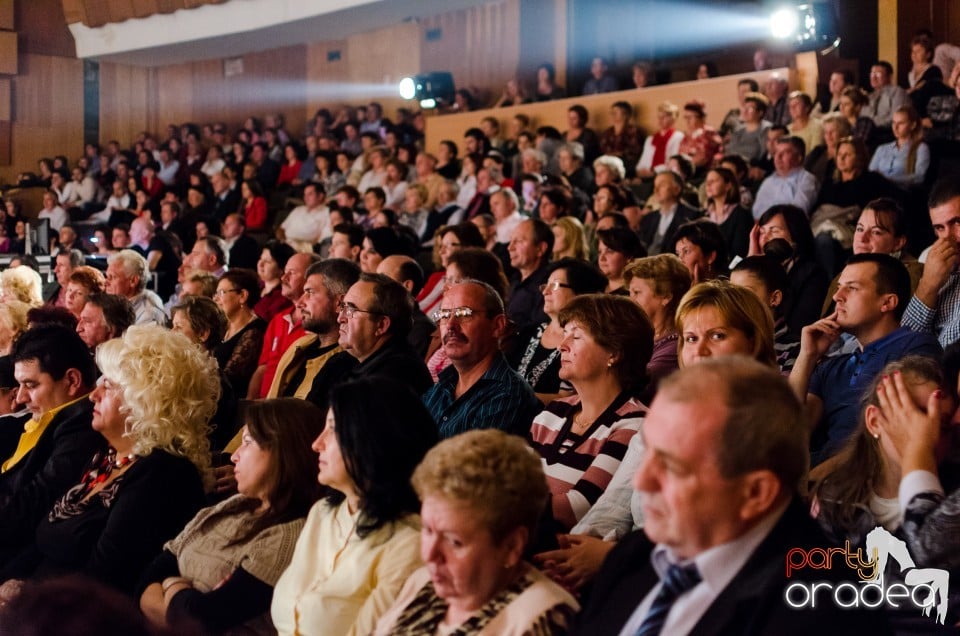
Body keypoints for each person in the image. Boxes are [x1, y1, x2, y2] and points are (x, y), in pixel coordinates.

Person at [570, 357, 890, 635]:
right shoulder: (637, 553)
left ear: (756, 493)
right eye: (649, 452)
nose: (643, 480)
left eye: (671, 466)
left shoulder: (824, 616)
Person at [0, 325, 215, 595]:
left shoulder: (163, 473)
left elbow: (102, 579)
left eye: (108, 385)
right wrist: (11, 583)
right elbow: (42, 542)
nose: (93, 395)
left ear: (145, 401)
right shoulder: (107, 457)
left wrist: (25, 599)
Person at [138, 399, 326, 634]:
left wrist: (172, 584)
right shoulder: (232, 505)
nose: (235, 455)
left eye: (247, 443)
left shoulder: (290, 535)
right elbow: (148, 578)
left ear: (283, 452)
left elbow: (202, 620)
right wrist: (179, 605)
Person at [271, 378, 439, 636]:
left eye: (333, 429)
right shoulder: (322, 513)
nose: (317, 444)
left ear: (373, 440)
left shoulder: (409, 545)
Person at [374, 429, 578, 635]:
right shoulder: (424, 581)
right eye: (427, 530)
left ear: (511, 546)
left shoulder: (541, 619)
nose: (429, 555)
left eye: (454, 542)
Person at [789, 254, 941, 466]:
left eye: (851, 288)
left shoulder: (915, 347)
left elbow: (902, 435)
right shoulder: (832, 366)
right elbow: (791, 431)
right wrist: (807, 356)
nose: (837, 297)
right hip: (820, 481)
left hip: (868, 480)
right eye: (839, 287)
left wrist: (824, 476)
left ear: (887, 302)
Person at [529, 294, 651, 532]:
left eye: (576, 336)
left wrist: (499, 505)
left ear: (613, 353)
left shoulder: (633, 424)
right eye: (564, 335)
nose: (561, 345)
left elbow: (577, 508)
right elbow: (512, 481)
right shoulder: (555, 412)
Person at [0, 325, 105, 567]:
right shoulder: (48, 416)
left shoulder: (83, 428)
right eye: (20, 385)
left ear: (71, 380)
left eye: (31, 385)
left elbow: (30, 508)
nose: (20, 398)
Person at [423, 280, 541, 439]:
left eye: (464, 314)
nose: (450, 325)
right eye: (444, 315)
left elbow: (471, 463)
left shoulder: (507, 395)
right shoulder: (441, 386)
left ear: (497, 326)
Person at [305, 273, 432, 414]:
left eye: (351, 310)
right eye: (343, 307)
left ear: (381, 325)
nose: (340, 318)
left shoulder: (395, 379)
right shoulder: (340, 362)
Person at [508, 258, 607, 404]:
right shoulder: (528, 331)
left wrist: (511, 399)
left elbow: (568, 399)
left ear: (580, 293)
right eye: (545, 285)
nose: (545, 292)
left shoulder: (586, 341)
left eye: (554, 285)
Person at [266, 258, 360, 400]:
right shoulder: (299, 346)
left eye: (310, 292)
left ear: (340, 303)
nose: (300, 303)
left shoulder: (349, 364)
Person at [748, 204, 829, 334]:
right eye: (761, 232)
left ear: (795, 235)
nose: (765, 238)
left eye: (774, 231)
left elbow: (800, 326)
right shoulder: (752, 269)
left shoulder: (812, 274)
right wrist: (751, 266)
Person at [901, 178, 960, 348]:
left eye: (957, 222)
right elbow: (906, 342)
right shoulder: (931, 258)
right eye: (940, 228)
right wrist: (928, 285)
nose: (948, 238)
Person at [624, 254, 691, 388]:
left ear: (665, 297)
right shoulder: (636, 334)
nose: (630, 300)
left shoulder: (676, 346)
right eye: (630, 293)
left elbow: (637, 388)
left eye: (637, 292)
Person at [730, 256, 801, 374]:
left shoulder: (795, 350)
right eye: (732, 294)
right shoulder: (728, 340)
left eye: (746, 293)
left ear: (774, 298)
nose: (735, 302)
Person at [213, 269, 267, 396]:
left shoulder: (255, 331)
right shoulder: (223, 327)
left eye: (221, 293)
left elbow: (231, 378)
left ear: (242, 295)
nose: (216, 299)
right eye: (216, 293)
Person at [752, 135, 820, 219]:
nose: (778, 157)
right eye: (776, 152)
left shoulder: (807, 180)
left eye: (785, 153)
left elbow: (798, 211)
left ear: (799, 158)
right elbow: (756, 212)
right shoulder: (768, 181)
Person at [639, 171, 701, 256]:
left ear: (677, 189)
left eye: (662, 185)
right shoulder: (648, 218)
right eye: (655, 186)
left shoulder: (693, 216)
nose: (656, 190)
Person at [506, 218, 553, 330]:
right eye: (511, 241)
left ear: (540, 248)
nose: (510, 248)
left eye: (519, 241)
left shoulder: (547, 286)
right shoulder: (515, 279)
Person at [868, 105, 930, 188]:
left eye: (901, 123)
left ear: (912, 125)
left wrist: (888, 180)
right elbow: (871, 173)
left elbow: (919, 176)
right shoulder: (882, 148)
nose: (895, 127)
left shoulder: (921, 148)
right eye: (893, 122)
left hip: (901, 190)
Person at [105, 249, 166, 326]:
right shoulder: (116, 302)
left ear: (133, 281)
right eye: (107, 276)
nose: (106, 282)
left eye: (113, 277)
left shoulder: (148, 313)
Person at [704, 166, 752, 259]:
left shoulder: (742, 215)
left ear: (728, 185)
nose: (708, 184)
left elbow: (740, 253)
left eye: (713, 181)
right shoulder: (703, 215)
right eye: (707, 181)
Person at [635, 102, 684, 178]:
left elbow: (674, 162)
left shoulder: (678, 137)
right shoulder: (650, 139)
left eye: (664, 117)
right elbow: (644, 159)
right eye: (659, 117)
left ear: (673, 119)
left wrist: (655, 171)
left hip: (667, 174)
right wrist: (640, 170)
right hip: (648, 174)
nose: (660, 120)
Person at [672, 219, 729, 283]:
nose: (679, 260)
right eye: (678, 254)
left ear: (710, 256)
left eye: (686, 251)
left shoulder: (724, 291)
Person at [253, 240, 295, 323]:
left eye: (268, 261)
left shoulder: (283, 298)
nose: (260, 264)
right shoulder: (255, 286)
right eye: (261, 258)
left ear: (281, 268)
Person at [597, 227, 645, 294]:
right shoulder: (593, 287)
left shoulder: (634, 296)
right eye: (600, 252)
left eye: (610, 251)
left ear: (628, 257)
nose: (601, 258)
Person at [864, 61, 910, 132]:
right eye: (872, 73)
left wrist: (871, 124)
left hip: (889, 133)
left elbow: (895, 118)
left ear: (889, 76)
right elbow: (864, 117)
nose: (873, 77)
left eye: (878, 74)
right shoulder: (870, 96)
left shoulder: (897, 92)